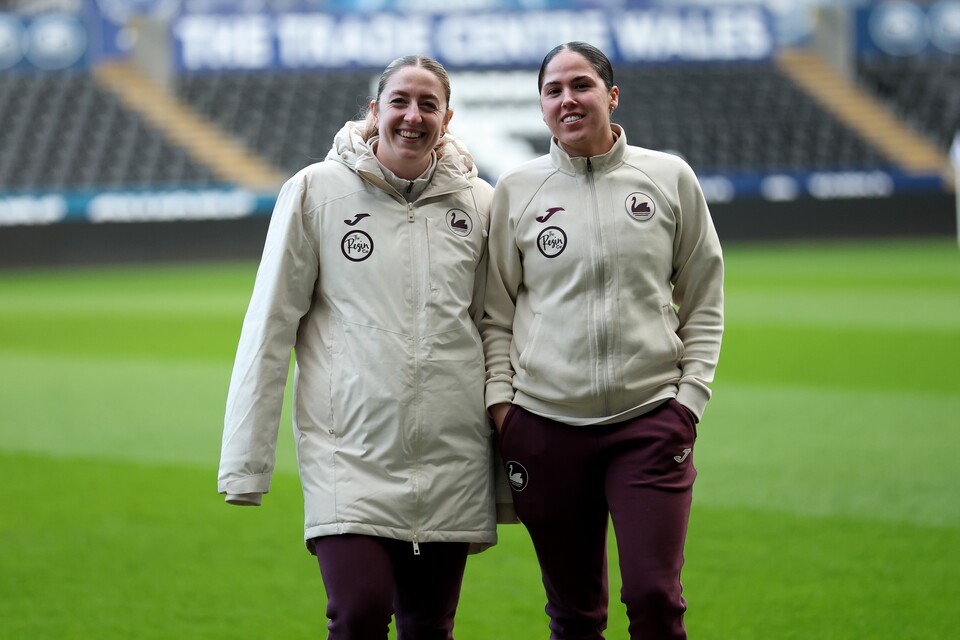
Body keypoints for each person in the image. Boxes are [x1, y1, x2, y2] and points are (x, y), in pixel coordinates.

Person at [218, 55, 501, 640]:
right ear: (375, 111)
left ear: (447, 119)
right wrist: (246, 465)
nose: (413, 116)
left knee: (430, 626)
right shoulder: (315, 191)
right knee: (359, 612)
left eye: (428, 104)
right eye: (400, 101)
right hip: (349, 452)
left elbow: (494, 327)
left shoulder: (480, 204)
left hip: (451, 454)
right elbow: (269, 325)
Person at [481, 42, 724, 640]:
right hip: (544, 428)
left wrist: (688, 401)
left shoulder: (667, 177)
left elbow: (703, 296)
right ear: (541, 107)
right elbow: (494, 314)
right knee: (574, 616)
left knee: (654, 597)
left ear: (611, 96)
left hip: (649, 420)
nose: (567, 99)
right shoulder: (515, 190)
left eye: (581, 85)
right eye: (553, 90)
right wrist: (505, 410)